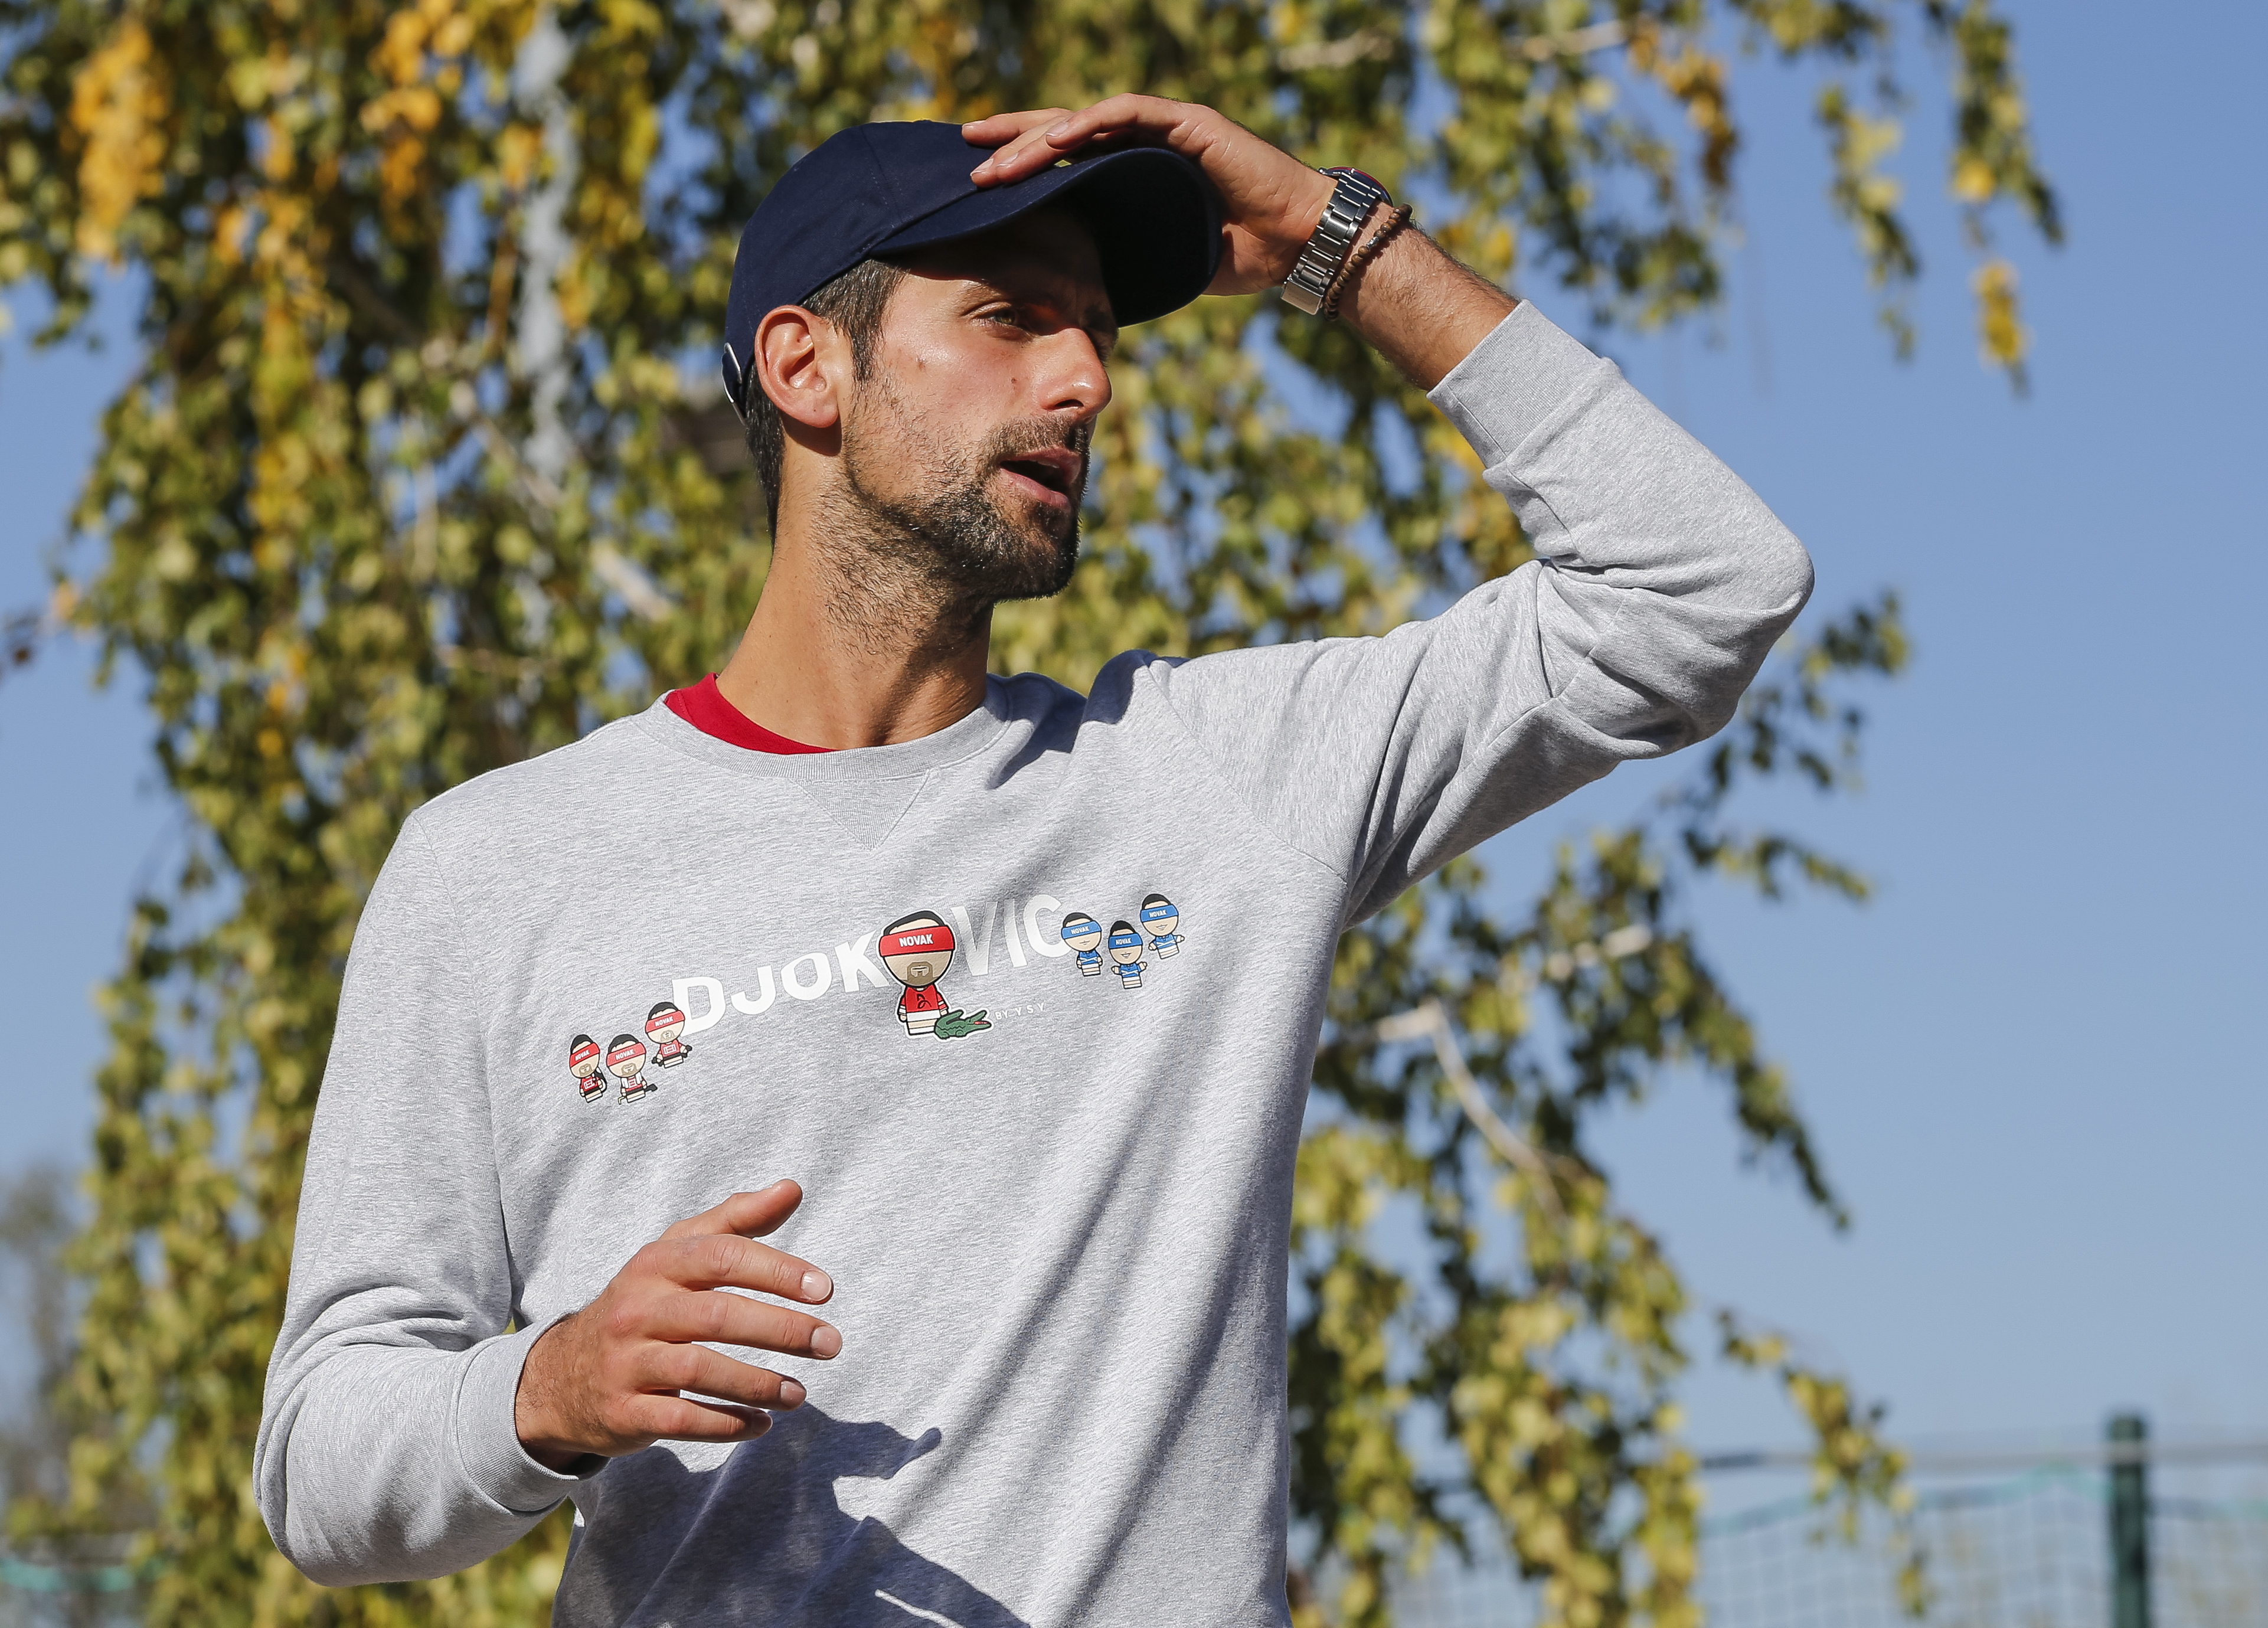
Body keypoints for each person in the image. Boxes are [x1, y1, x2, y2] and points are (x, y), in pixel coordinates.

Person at [257, 95, 1812, 1626]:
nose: (1082, 382)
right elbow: (323, 1465)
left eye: (1097, 337)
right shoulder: (496, 865)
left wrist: (1343, 246)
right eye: (1010, 318)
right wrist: (550, 1388)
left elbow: (1702, 591)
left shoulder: (1219, 780)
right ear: (808, 366)